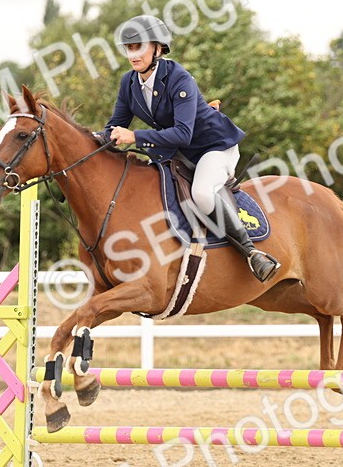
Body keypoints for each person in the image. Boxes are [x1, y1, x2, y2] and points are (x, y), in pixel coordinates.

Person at [101, 14, 279, 282]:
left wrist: (134, 136)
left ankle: (252, 254)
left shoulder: (178, 78)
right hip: (178, 155)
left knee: (202, 194)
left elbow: (183, 133)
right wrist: (94, 139)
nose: (133, 54)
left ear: (158, 48)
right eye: (129, 48)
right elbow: (114, 126)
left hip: (214, 147)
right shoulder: (129, 83)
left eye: (139, 47)